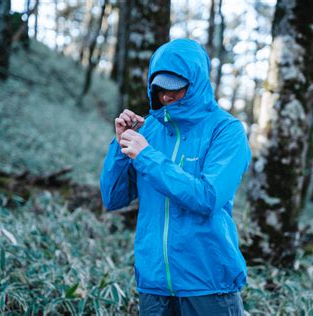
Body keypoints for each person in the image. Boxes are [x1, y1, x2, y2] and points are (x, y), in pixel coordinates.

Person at [100, 39, 251, 316]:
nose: (166, 97)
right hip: (154, 284)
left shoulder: (226, 130)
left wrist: (147, 157)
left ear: (196, 83)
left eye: (175, 88)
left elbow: (208, 197)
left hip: (208, 283)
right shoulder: (150, 131)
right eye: (159, 89)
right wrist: (121, 148)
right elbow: (113, 198)